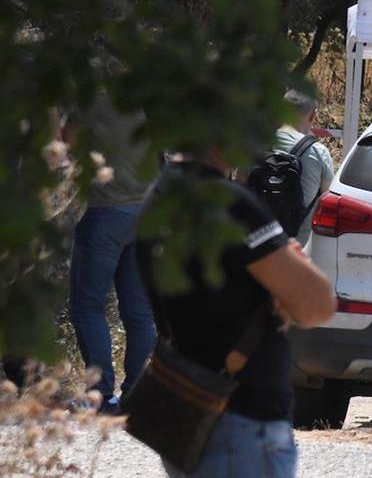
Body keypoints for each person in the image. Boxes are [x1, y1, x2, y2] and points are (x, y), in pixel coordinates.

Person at [137, 148, 336, 478]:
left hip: (187, 409)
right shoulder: (230, 204)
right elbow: (317, 304)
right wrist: (289, 267)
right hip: (241, 423)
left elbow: (215, 301)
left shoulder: (159, 197)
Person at [65, 92, 157, 413]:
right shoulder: (149, 89)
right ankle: (134, 394)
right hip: (145, 210)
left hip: (105, 209)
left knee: (87, 306)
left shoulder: (93, 92)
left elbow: (68, 138)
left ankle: (100, 395)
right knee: (139, 312)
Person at [275, 90, 335, 246]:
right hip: (300, 251)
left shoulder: (256, 146)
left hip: (259, 252)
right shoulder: (318, 152)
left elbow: (242, 185)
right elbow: (330, 199)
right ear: (313, 115)